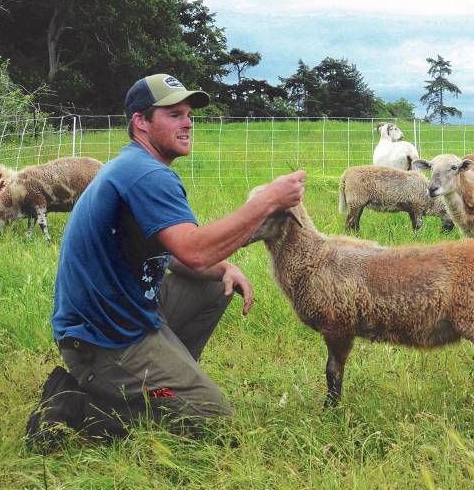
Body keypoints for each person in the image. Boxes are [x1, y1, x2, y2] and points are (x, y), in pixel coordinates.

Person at [26, 73, 305, 450]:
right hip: (104, 341)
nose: (188, 122)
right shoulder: (146, 175)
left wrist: (223, 268)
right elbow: (194, 250)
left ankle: (163, 383)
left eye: (189, 114)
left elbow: (174, 253)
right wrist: (267, 201)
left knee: (214, 284)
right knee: (215, 424)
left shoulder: (132, 166)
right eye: (174, 114)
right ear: (140, 121)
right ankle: (80, 407)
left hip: (120, 318)